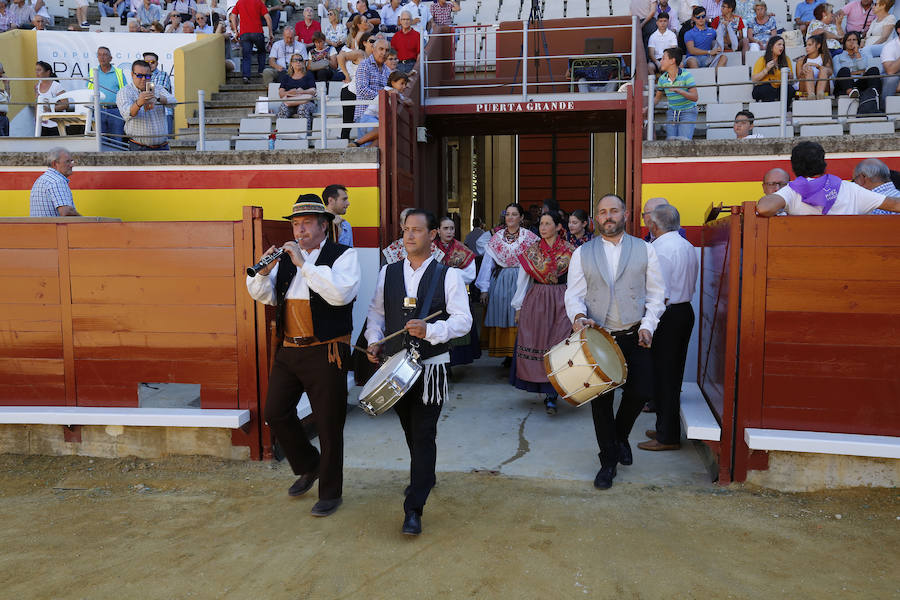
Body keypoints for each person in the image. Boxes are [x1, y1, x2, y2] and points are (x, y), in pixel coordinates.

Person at [246, 195, 360, 517]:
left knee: (328, 424)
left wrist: (304, 264)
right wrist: (262, 272)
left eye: (307, 223)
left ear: (324, 225)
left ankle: (330, 493)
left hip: (326, 350)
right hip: (290, 348)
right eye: (296, 224)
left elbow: (340, 295)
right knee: (275, 412)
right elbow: (266, 296)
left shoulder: (343, 255)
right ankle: (310, 465)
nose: (300, 230)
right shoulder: (286, 259)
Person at [364, 209, 472, 536]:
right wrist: (373, 340)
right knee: (411, 432)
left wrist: (431, 330)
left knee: (424, 433)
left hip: (431, 370)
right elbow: (376, 314)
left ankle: (414, 507)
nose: (410, 236)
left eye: (417, 230)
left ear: (431, 236)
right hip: (395, 368)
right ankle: (425, 475)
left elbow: (463, 321)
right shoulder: (388, 273)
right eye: (406, 230)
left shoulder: (448, 275)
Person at [564, 194, 665, 490]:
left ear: (625, 214)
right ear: (596, 218)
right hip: (598, 337)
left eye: (614, 211)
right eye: (602, 212)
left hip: (635, 334)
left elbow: (658, 294)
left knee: (641, 391)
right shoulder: (582, 253)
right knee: (601, 402)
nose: (608, 216)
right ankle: (608, 461)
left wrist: (648, 325)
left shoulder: (646, 249)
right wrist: (579, 316)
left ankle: (620, 437)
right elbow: (573, 293)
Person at [638, 204, 697, 452]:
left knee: (664, 377)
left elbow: (658, 294)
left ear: (654, 224)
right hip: (683, 311)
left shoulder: (659, 249)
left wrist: (647, 324)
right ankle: (665, 428)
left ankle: (667, 436)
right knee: (671, 375)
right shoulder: (686, 245)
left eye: (649, 220)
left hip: (667, 315)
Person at [510, 211, 574, 415]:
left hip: (562, 300)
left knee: (559, 343)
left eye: (548, 224)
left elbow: (577, 281)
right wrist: (518, 306)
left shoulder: (571, 251)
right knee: (538, 342)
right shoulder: (531, 251)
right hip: (537, 300)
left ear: (558, 227)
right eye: (541, 224)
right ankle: (547, 392)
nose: (543, 227)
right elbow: (522, 281)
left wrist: (577, 307)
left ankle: (554, 392)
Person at [756, 141, 899, 215]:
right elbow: (895, 205)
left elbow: (763, 208)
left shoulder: (791, 192)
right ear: (824, 164)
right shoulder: (851, 189)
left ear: (794, 168)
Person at [475, 202, 539, 366]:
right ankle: (508, 354)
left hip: (523, 280)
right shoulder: (496, 238)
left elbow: (538, 261)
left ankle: (522, 352)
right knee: (503, 313)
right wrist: (484, 288)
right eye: (508, 214)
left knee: (522, 315)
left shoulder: (530, 238)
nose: (510, 217)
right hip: (502, 279)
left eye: (514, 214)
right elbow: (487, 263)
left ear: (521, 217)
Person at [434, 216, 480, 367]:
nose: (449, 231)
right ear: (438, 231)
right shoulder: (429, 248)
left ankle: (453, 363)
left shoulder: (463, 250)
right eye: (445, 228)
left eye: (452, 228)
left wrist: (448, 274)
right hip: (434, 296)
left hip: (456, 294)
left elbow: (470, 275)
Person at [116, 59, 176, 151]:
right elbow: (126, 114)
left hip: (162, 146)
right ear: (132, 75)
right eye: (139, 75)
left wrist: (158, 98)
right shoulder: (125, 91)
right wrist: (139, 103)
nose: (144, 79)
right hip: (139, 146)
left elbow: (174, 102)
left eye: (147, 76)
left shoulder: (157, 88)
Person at [350, 69, 410, 146]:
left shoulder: (399, 94)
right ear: (392, 82)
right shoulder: (388, 89)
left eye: (405, 84)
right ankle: (357, 143)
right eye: (401, 83)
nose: (404, 86)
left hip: (375, 121)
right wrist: (402, 100)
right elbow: (391, 93)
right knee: (384, 129)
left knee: (382, 136)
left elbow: (410, 102)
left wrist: (403, 100)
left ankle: (370, 152)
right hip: (368, 118)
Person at [655, 47, 699, 141]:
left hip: (688, 111)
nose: (661, 61)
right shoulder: (662, 79)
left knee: (683, 141)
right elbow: (657, 98)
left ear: (672, 61)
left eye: (663, 58)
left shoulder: (686, 75)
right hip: (672, 113)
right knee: (671, 141)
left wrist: (680, 91)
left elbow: (695, 97)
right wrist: (647, 108)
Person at [88, 47, 127, 151]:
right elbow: (88, 91)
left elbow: (125, 91)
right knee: (100, 141)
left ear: (110, 58)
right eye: (99, 54)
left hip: (115, 110)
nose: (102, 57)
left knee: (117, 140)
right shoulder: (93, 72)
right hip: (98, 110)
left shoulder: (118, 72)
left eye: (105, 54)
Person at [338, 30, 373, 140]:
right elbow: (341, 56)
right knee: (348, 122)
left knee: (362, 120)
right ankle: (343, 147)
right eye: (371, 41)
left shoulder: (373, 58)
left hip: (363, 93)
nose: (374, 43)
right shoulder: (359, 53)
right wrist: (346, 75)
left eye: (375, 41)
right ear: (364, 43)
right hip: (351, 91)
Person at [30, 147, 81, 217]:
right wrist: (84, 221)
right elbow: (66, 212)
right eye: (67, 161)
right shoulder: (57, 181)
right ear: (54, 164)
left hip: (38, 227)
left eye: (71, 161)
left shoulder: (41, 179)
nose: (72, 165)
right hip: (53, 227)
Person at [231, 0, 273, 84]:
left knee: (246, 55)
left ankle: (246, 76)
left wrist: (236, 31)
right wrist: (270, 32)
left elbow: (233, 16)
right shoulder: (258, 2)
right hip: (257, 32)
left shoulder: (240, 2)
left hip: (244, 33)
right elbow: (268, 17)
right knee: (261, 51)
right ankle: (261, 71)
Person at [276, 54, 317, 133]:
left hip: (306, 103)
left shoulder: (308, 75)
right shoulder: (286, 77)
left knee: (303, 108)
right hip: (291, 103)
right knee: (282, 108)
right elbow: (281, 94)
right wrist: (289, 92)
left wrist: (302, 91)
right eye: (295, 60)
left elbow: (313, 91)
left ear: (303, 63)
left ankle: (305, 135)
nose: (298, 62)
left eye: (300, 60)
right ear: (291, 63)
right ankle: (281, 135)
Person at [353, 37, 391, 122]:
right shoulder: (364, 65)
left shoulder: (388, 71)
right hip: (364, 115)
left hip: (380, 116)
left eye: (387, 50)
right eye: (381, 49)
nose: (384, 53)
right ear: (373, 49)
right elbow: (362, 89)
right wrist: (383, 97)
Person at [833, 31, 881, 97]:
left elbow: (863, 68)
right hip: (844, 85)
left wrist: (857, 53)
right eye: (849, 40)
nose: (852, 42)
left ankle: (873, 91)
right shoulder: (838, 57)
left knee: (874, 69)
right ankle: (851, 92)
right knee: (844, 70)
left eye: (854, 40)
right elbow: (838, 73)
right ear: (845, 43)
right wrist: (859, 72)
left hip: (860, 83)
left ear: (858, 42)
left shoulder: (862, 55)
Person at [751, 35, 794, 104]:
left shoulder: (786, 59)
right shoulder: (762, 59)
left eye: (783, 45)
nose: (782, 47)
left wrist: (789, 75)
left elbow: (791, 78)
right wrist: (766, 69)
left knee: (789, 89)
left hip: (779, 87)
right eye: (779, 44)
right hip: (764, 87)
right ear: (771, 47)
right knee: (767, 89)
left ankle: (786, 109)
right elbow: (754, 79)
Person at [143, 52, 174, 136]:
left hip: (163, 113)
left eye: (152, 62)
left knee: (165, 141)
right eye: (146, 63)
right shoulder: (142, 76)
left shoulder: (162, 74)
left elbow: (157, 92)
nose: (149, 64)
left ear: (157, 63)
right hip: (146, 113)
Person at [34, 61, 68, 137]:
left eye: (39, 70)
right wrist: (36, 119)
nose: (37, 72)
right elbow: (37, 104)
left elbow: (65, 104)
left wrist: (50, 109)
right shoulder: (36, 86)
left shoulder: (56, 86)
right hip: (42, 124)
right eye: (36, 70)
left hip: (56, 124)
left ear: (48, 72)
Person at [796, 34, 834, 99]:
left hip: (824, 89)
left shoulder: (824, 57)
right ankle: (811, 95)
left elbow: (830, 72)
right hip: (805, 89)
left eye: (809, 45)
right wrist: (804, 70)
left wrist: (817, 66)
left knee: (824, 70)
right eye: (806, 45)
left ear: (818, 45)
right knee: (808, 70)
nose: (806, 47)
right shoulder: (801, 60)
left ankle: (820, 93)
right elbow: (799, 78)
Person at [881, 20, 900, 104]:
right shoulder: (890, 46)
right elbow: (890, 71)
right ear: (899, 30)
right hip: (892, 75)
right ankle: (885, 109)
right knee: (892, 79)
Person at [0, 61, 9, 137]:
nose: (2, 75)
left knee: (6, 141)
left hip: (4, 118)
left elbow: (8, 100)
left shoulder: (1, 91)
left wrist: (6, 84)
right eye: (1, 72)